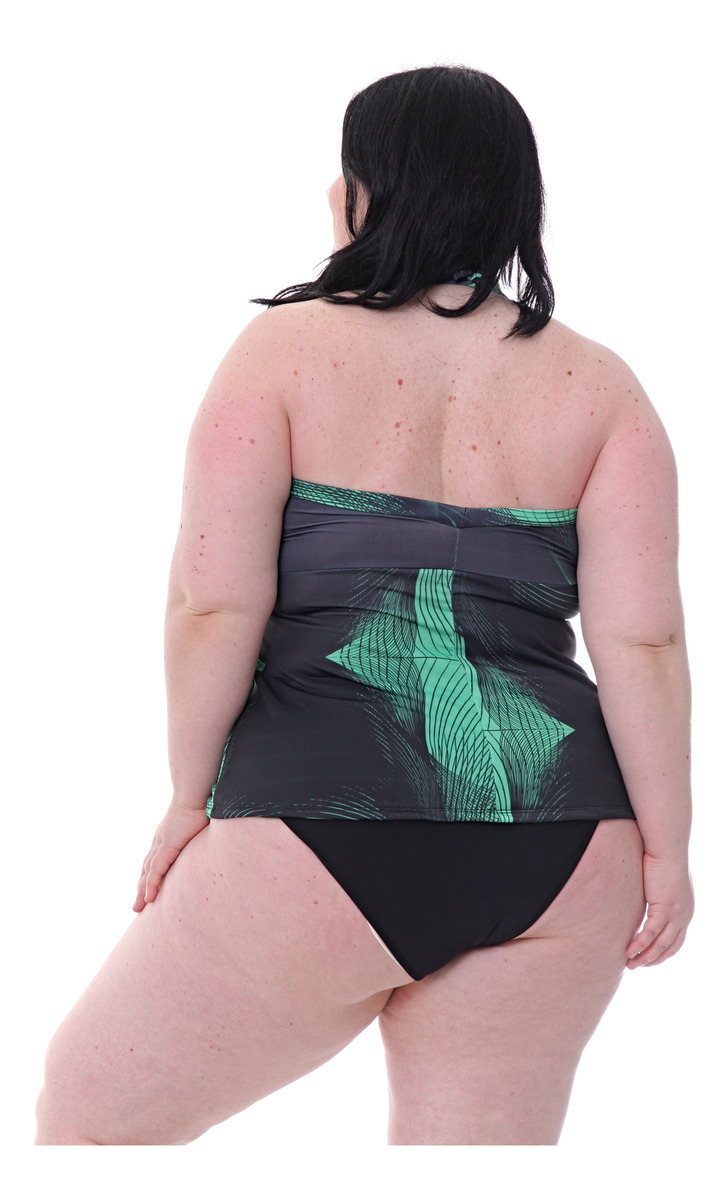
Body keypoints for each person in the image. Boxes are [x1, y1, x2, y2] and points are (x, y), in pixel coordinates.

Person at [34, 65, 694, 1146]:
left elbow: (212, 602)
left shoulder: (286, 350)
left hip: (322, 815)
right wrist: (664, 848)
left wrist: (192, 797)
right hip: (563, 844)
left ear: (360, 193)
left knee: (89, 1123)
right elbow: (642, 638)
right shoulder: (601, 386)